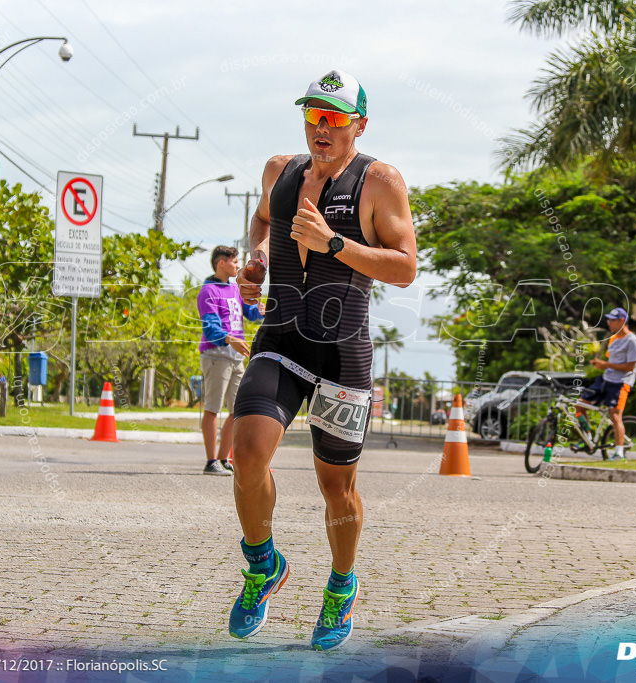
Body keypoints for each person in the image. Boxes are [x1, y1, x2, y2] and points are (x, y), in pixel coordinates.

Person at [227, 69, 417, 651]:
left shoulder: (380, 182)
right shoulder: (278, 171)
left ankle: (341, 585)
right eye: (313, 115)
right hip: (282, 335)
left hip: (343, 349)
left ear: (359, 124)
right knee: (246, 450)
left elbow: (406, 266)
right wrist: (257, 258)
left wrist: (335, 244)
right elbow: (262, 222)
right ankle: (263, 566)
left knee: (336, 487)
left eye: (334, 118)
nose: (322, 128)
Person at [197, 245, 263, 476]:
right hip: (216, 355)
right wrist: (229, 339)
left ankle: (224, 459)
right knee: (212, 409)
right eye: (234, 262)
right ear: (221, 263)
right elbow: (210, 327)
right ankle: (210, 461)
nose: (237, 266)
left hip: (237, 357)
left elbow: (250, 313)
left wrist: (262, 309)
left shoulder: (235, 289)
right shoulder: (208, 291)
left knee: (237, 410)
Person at [576, 307, 636, 459]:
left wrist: (606, 365)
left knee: (615, 415)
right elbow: (612, 361)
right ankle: (587, 437)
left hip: (621, 382)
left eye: (612, 320)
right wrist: (601, 364)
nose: (609, 323)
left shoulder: (633, 341)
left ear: (622, 321)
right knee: (580, 405)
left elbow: (630, 366)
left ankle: (619, 452)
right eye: (608, 320)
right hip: (606, 379)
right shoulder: (612, 339)